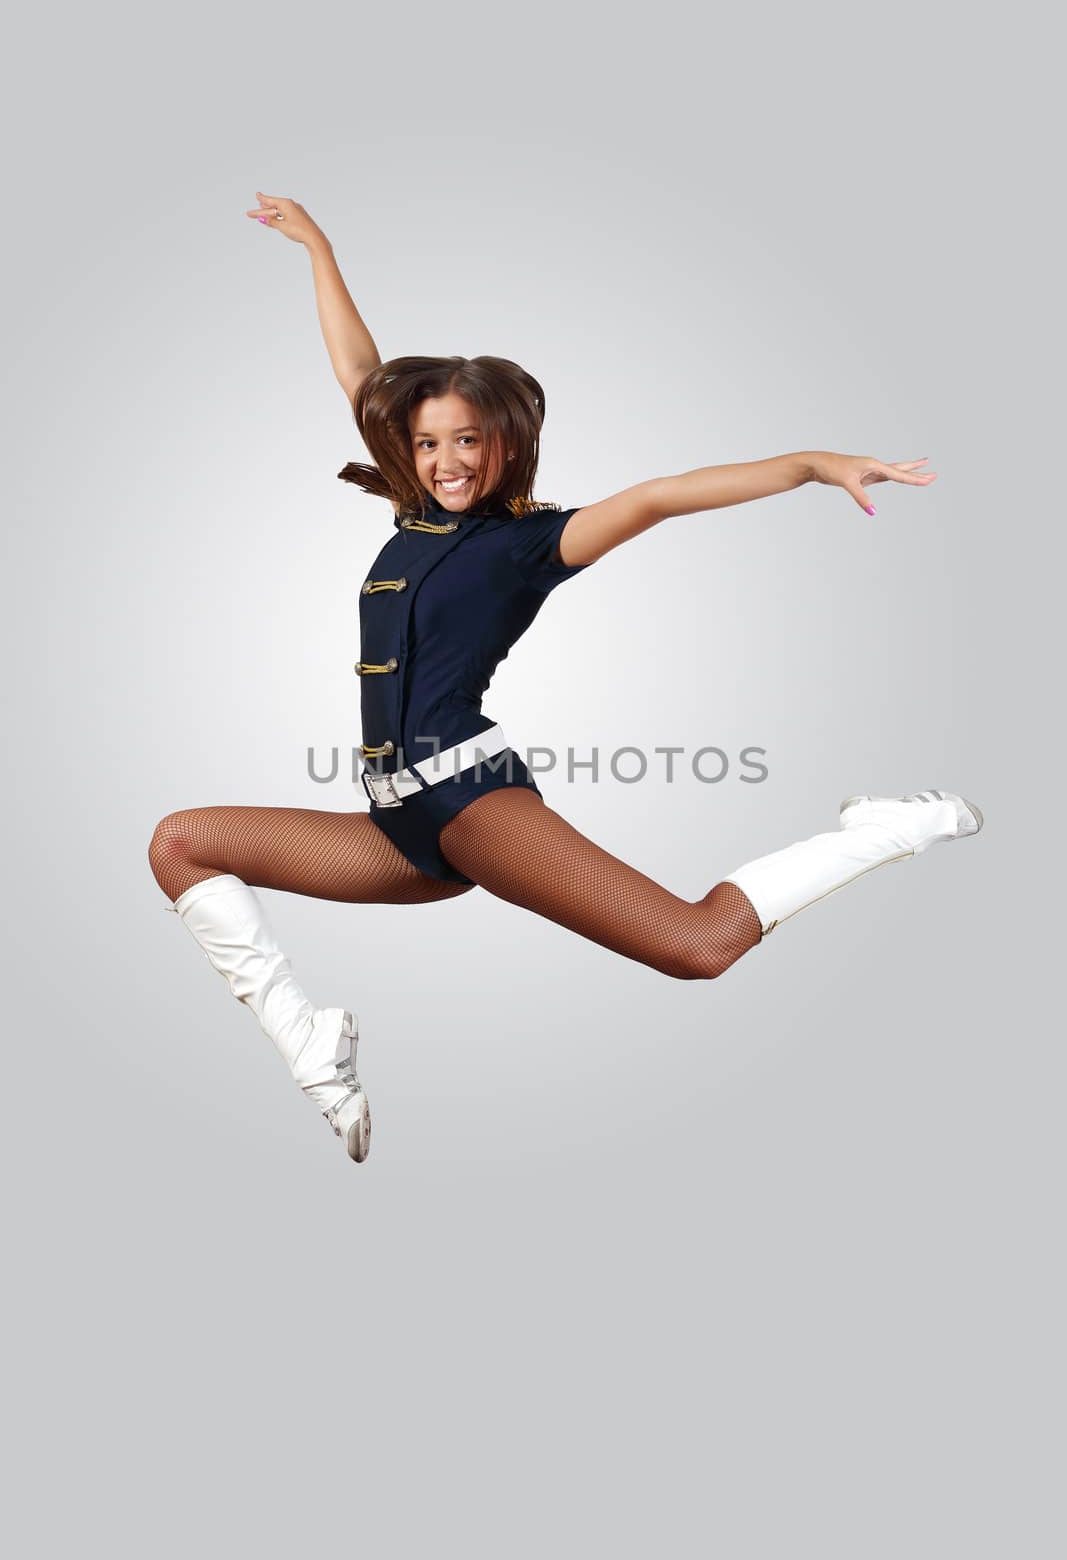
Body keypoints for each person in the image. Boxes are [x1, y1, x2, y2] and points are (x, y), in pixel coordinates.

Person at [147, 192, 983, 1165]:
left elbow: (659, 498)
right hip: (393, 827)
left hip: (469, 801)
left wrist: (808, 463)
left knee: (697, 945)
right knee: (181, 844)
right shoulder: (413, 516)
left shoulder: (530, 543)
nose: (445, 459)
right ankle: (313, 1047)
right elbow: (361, 375)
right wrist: (318, 249)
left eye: (466, 440)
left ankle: (884, 826)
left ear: (503, 442)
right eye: (426, 443)